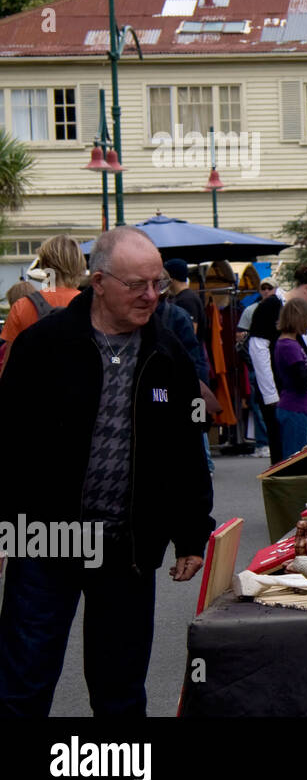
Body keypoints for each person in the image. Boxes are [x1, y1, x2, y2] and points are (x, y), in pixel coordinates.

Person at [0, 225, 214, 716]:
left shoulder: (167, 352)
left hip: (126, 546)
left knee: (120, 690)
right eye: (136, 285)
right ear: (98, 282)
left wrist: (190, 534)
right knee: (23, 682)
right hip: (44, 540)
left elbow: (187, 448)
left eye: (157, 283)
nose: (150, 296)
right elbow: (8, 443)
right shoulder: (43, 346)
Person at [248, 266, 307, 464]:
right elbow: (258, 350)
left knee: (298, 453)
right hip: (284, 398)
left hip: (303, 401)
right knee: (287, 457)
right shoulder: (270, 308)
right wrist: (271, 397)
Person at [0, 234, 85, 374]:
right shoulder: (91, 306)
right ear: (79, 265)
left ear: (44, 265)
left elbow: (8, 367)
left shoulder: (23, 306)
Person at [272, 298, 307, 458]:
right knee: (294, 458)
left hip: (297, 408)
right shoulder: (289, 346)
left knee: (295, 455)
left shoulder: (289, 344)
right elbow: (301, 382)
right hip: (294, 408)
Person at [238, 277, 277, 457]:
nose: (267, 291)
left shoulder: (281, 308)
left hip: (276, 362)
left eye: (270, 288)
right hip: (256, 364)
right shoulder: (250, 310)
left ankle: (273, 441)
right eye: (264, 288)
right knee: (260, 404)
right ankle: (263, 442)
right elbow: (241, 339)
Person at [163, 258, 206, 341]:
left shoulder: (187, 300)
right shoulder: (183, 297)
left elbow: (190, 332)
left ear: (172, 279)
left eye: (165, 277)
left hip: (188, 352)